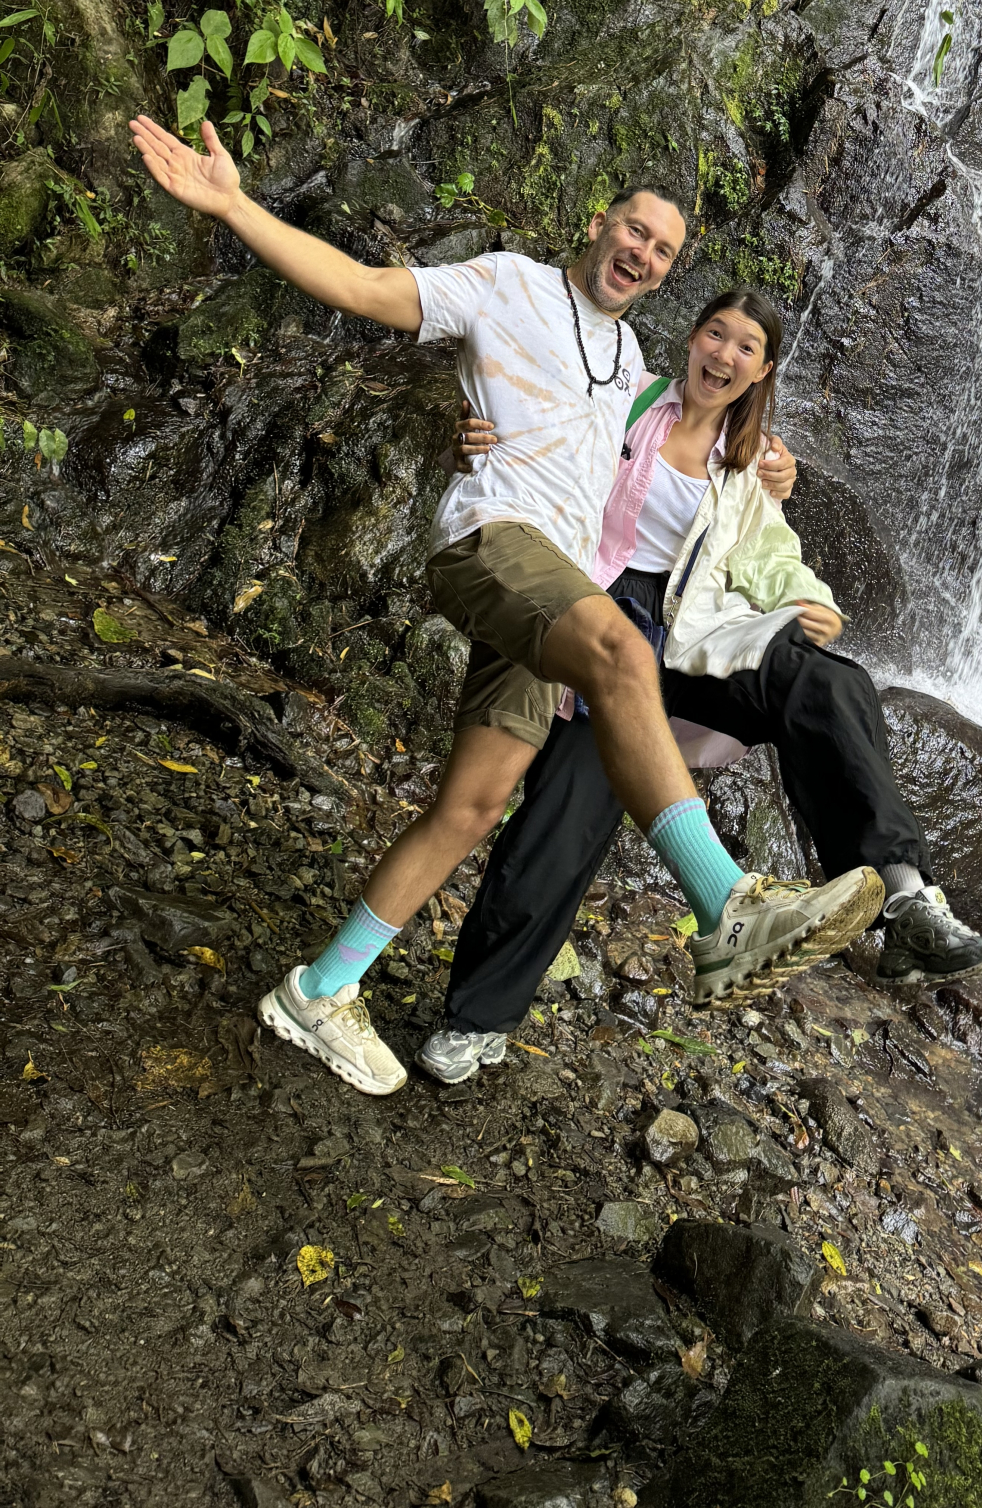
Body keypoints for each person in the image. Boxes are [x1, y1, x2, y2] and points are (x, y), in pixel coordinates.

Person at [127, 115, 885, 1096]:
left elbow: (679, 472)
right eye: (634, 231)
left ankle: (321, 988)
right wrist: (234, 206)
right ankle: (723, 903)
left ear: (663, 275)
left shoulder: (628, 365)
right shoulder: (504, 283)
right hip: (497, 550)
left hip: (557, 586)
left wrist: (766, 487)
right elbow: (364, 293)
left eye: (661, 251)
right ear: (600, 221)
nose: (641, 253)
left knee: (473, 804)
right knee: (622, 655)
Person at [416, 283, 982, 1085]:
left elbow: (772, 555)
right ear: (691, 340)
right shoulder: (623, 403)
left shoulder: (750, 466)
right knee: (558, 826)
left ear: (762, 369)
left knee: (829, 682)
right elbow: (531, 427)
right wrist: (471, 441)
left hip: (687, 639)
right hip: (584, 618)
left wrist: (813, 600)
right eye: (715, 334)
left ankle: (907, 901)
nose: (724, 355)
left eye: (745, 348)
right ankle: (474, 1019)